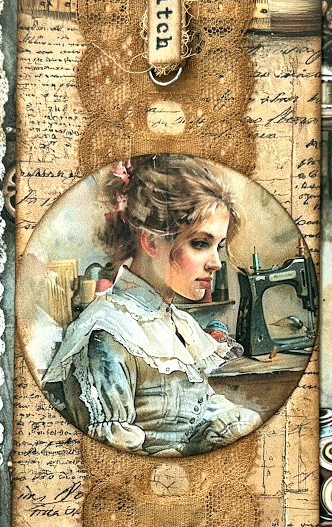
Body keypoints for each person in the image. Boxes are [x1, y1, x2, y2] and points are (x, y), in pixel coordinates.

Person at [42, 154, 261, 456]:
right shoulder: (108, 333)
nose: (216, 263)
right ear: (151, 242)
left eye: (218, 247)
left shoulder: (176, 324)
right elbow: (112, 452)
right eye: (200, 243)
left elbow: (203, 409)